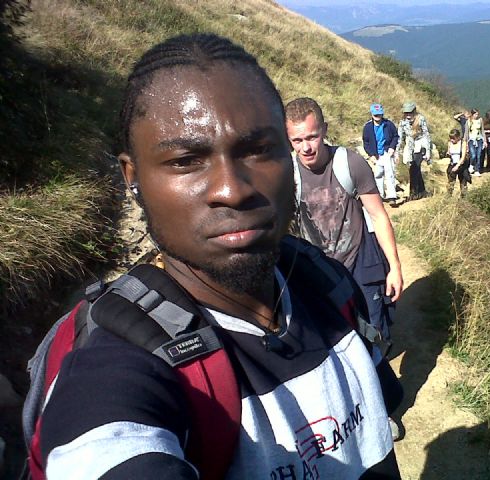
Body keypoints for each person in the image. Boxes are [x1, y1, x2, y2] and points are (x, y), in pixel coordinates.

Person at [37, 34, 402, 479]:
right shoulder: (113, 368)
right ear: (132, 177)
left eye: (258, 150)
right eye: (187, 160)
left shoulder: (323, 282)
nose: (232, 189)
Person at [285, 97, 403, 345]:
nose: (305, 147)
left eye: (312, 137)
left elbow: (378, 215)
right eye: (297, 140)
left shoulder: (349, 163)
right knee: (337, 341)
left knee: (375, 335)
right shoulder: (288, 175)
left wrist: (394, 267)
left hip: (360, 261)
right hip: (319, 270)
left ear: (324, 130)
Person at [362, 103, 400, 206]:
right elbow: (366, 142)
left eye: (379, 114)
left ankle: (392, 197)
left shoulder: (389, 124)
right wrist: (371, 155)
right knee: (378, 175)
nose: (378, 117)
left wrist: (392, 147)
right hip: (376, 155)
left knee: (390, 174)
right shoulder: (367, 127)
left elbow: (395, 137)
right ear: (372, 114)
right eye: (375, 114)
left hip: (387, 153)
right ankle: (380, 196)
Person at [395, 101, 431, 200]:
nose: (408, 115)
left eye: (410, 112)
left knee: (414, 167)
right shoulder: (402, 122)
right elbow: (399, 137)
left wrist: (428, 151)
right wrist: (397, 152)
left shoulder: (420, 119)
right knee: (415, 168)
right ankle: (422, 191)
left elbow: (426, 134)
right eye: (406, 113)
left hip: (420, 145)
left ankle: (413, 193)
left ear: (414, 111)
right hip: (409, 145)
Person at [446, 128, 470, 197]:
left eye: (453, 138)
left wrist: (457, 166)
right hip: (452, 163)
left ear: (458, 137)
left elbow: (463, 157)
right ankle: (449, 196)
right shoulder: (450, 143)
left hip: (461, 165)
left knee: (463, 181)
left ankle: (463, 197)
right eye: (451, 138)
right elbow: (449, 152)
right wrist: (448, 154)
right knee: (451, 181)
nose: (452, 140)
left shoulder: (463, 143)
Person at [468, 108, 486, 177]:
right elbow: (467, 132)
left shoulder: (480, 120)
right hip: (471, 140)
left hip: (479, 139)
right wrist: (466, 142)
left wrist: (485, 141)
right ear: (472, 114)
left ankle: (477, 170)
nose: (477, 115)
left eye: (477, 114)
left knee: (478, 155)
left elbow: (482, 130)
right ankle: (471, 165)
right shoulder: (469, 121)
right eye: (475, 114)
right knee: (473, 155)